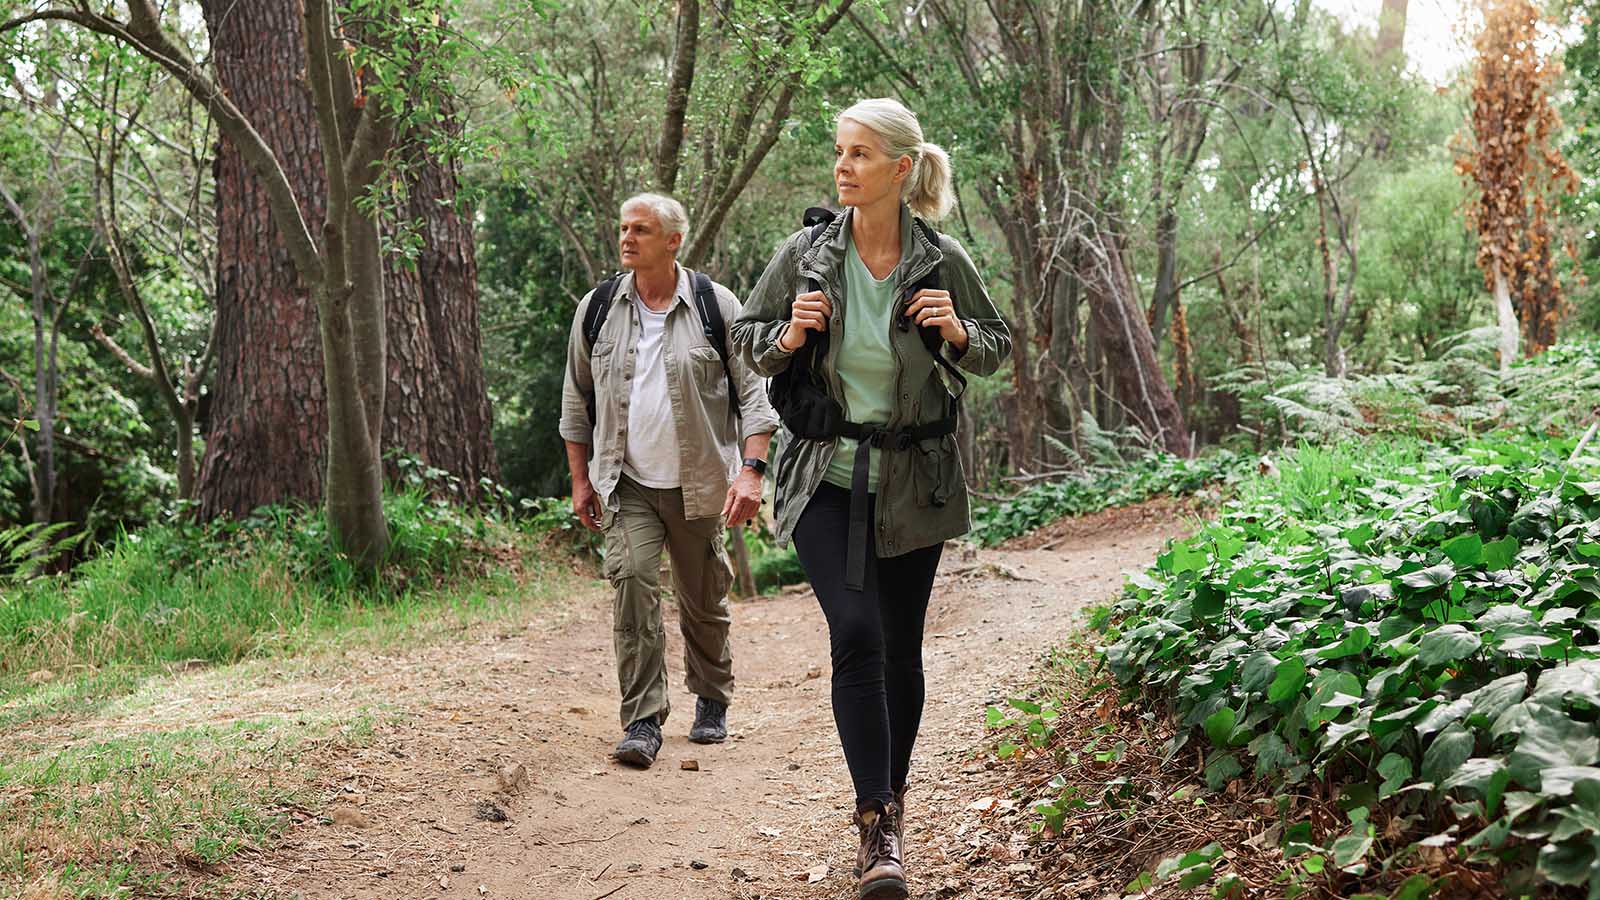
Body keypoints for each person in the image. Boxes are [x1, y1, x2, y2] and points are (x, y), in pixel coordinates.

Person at [731, 99, 1011, 899]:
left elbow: (996, 347)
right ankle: (875, 822)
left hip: (914, 483)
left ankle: (892, 807)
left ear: (899, 168)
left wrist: (956, 329)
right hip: (824, 476)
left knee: (901, 647)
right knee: (857, 635)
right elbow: (746, 340)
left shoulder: (941, 257)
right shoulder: (805, 254)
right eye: (838, 152)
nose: (842, 166)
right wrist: (788, 335)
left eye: (858, 154)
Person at [559, 193, 780, 769]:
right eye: (624, 227)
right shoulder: (599, 306)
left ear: (673, 240)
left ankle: (711, 698)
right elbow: (575, 404)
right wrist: (581, 481)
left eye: (642, 229)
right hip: (625, 480)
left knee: (703, 597)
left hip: (700, 481)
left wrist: (751, 473)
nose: (627, 238)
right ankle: (642, 719)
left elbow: (756, 399)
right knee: (632, 581)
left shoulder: (716, 304)